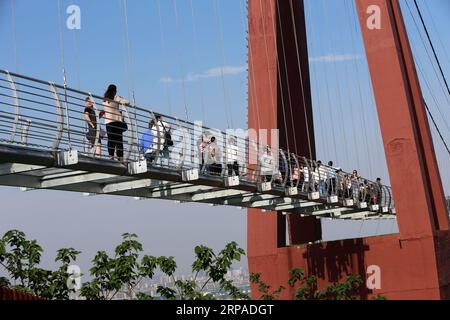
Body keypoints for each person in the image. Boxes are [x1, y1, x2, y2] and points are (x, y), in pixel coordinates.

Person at [103, 84, 130, 162]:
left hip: (108, 122)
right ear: (115, 91)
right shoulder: (116, 97)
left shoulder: (104, 99)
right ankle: (120, 157)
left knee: (110, 140)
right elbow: (127, 102)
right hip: (116, 121)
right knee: (118, 140)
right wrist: (121, 98)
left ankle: (111, 156)